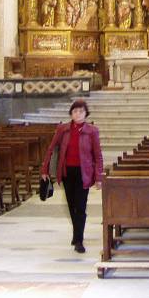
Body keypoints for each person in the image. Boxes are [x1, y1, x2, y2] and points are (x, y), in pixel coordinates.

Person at [41, 99, 104, 253]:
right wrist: (44, 169)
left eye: (81, 111)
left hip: (84, 173)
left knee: (80, 207)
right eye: (75, 111)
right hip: (67, 172)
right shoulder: (63, 129)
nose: (78, 113)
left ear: (85, 113)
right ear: (71, 113)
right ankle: (77, 234)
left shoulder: (92, 131)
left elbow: (98, 155)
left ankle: (79, 240)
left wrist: (99, 177)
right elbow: (51, 148)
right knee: (71, 206)